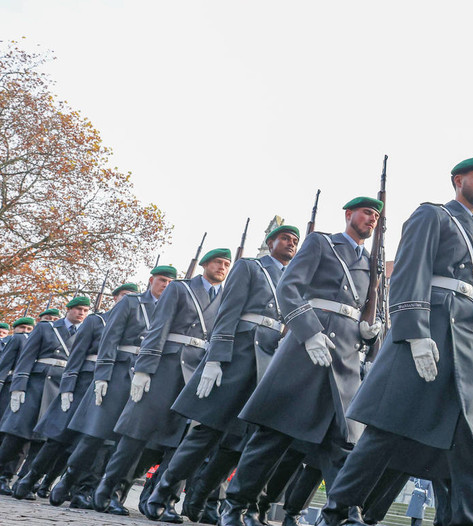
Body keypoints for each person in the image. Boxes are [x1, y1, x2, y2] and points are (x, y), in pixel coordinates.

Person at [319, 158, 473, 526]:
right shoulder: (432, 216)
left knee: (470, 440)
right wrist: (414, 333)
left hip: (465, 342)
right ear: (458, 180)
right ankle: (337, 511)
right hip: (430, 332)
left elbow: (471, 290)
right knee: (386, 430)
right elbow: (408, 274)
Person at [220, 198, 383, 526]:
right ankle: (237, 507)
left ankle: (346, 514)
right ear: (349, 214)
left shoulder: (371, 262)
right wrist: (308, 332)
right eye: (366, 212)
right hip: (308, 350)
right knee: (275, 432)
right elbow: (289, 289)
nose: (371, 219)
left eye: (376, 216)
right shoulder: (322, 243)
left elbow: (367, 309)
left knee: (342, 440)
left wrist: (371, 333)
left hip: (345, 358)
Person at [144, 226, 300, 522]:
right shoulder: (250, 267)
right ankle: (162, 494)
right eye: (286, 239)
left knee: (239, 442)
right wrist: (215, 359)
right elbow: (228, 313)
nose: (291, 244)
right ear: (271, 242)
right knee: (206, 432)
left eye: (295, 241)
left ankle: (200, 499)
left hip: (268, 361)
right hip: (238, 356)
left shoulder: (295, 277)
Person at [93, 249, 230, 516]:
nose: (222, 267)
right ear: (204, 265)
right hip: (166, 367)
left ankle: (163, 500)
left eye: (226, 264)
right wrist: (144, 369)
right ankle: (108, 491)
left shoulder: (225, 297)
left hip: (196, 372)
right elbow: (159, 327)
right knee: (136, 433)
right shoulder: (180, 289)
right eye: (217, 262)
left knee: (180, 441)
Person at [57, 266, 173, 512]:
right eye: (162, 280)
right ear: (151, 280)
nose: (165, 285)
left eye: (170, 282)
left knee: (122, 441)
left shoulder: (171, 307)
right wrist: (103, 376)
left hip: (145, 376)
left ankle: (96, 491)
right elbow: (110, 338)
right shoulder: (131, 303)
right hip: (119, 372)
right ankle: (70, 477)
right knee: (96, 435)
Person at [11, 285, 137, 500]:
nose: (128, 301)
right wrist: (67, 388)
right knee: (60, 436)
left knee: (98, 442)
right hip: (84, 383)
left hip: (113, 385)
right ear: (115, 298)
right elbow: (76, 357)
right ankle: (31, 477)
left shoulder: (135, 326)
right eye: (124, 296)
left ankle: (77, 488)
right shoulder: (96, 321)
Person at [0, 296, 89, 492]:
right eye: (78, 309)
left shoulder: (86, 331)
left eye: (85, 310)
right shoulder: (46, 328)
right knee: (18, 433)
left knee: (44, 438)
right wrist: (19, 386)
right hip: (37, 383)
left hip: (60, 387)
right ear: (69, 309)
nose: (81, 313)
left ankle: (26, 481)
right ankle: (3, 475)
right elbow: (26, 357)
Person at [0, 316, 37, 494]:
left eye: (29, 329)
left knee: (20, 436)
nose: (25, 332)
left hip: (30, 390)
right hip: (9, 387)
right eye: (22, 328)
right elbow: (4, 365)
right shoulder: (17, 340)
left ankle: (6, 476)